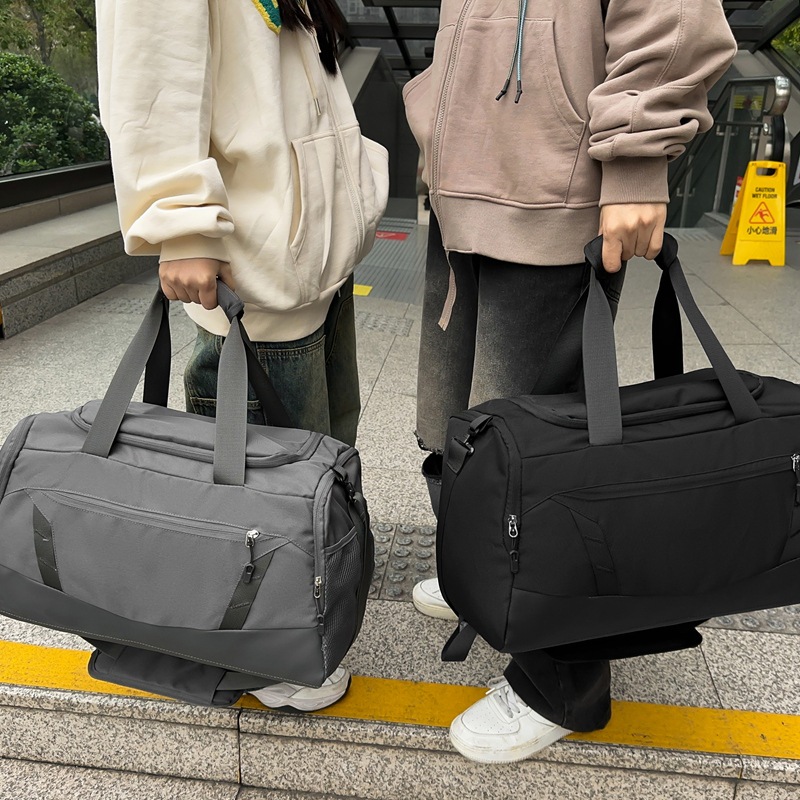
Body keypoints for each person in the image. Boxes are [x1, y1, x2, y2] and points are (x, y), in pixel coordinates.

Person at [403, 0, 738, 763]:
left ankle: (562, 687)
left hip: (556, 192)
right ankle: (481, 579)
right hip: (465, 193)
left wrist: (636, 157)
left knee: (542, 467)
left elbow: (674, 15)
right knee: (453, 431)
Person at [95, 0, 389, 711]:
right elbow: (153, 73)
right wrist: (179, 222)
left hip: (308, 261)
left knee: (312, 464)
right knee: (264, 486)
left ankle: (296, 609)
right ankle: (266, 655)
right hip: (256, 271)